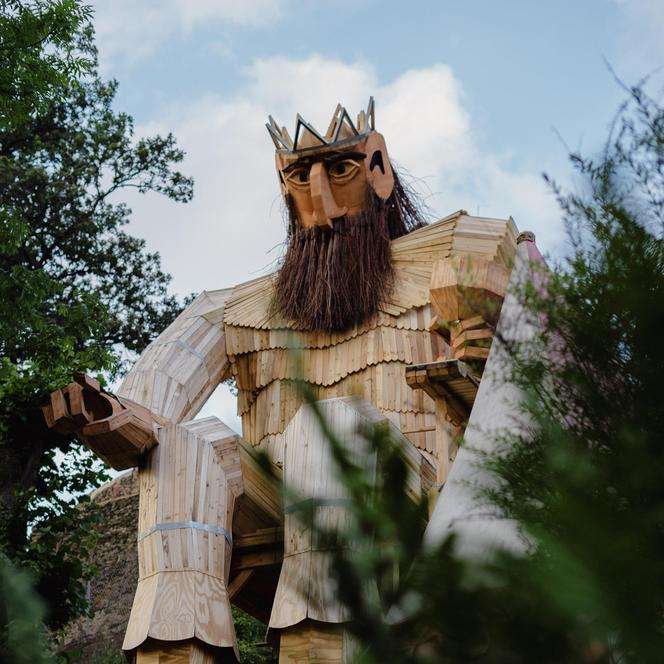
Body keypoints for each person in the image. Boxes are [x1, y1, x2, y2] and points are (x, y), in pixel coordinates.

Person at [44, 99, 517, 663]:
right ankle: (176, 650)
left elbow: (525, 371)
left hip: (423, 492)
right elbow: (142, 412)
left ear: (379, 170)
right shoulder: (233, 308)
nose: (320, 202)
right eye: (299, 177)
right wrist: (101, 415)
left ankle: (319, 647)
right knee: (184, 445)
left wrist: (481, 346)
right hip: (276, 508)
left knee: (335, 424)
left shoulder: (455, 253)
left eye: (340, 170)